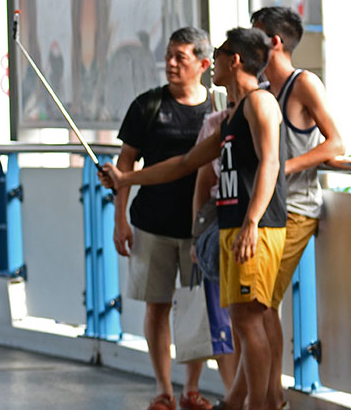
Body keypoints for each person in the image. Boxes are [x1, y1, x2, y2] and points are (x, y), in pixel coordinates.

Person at [101, 27, 286, 410]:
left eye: (218, 54)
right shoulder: (232, 116)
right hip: (232, 226)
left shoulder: (260, 102)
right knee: (243, 320)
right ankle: (244, 402)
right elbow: (185, 163)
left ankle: (262, 404)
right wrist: (125, 179)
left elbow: (271, 163)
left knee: (250, 321)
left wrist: (252, 222)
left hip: (256, 228)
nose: (212, 62)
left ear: (234, 60)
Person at [112, 27, 214, 410]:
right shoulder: (147, 105)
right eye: (168, 55)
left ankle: (192, 389)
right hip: (151, 224)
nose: (170, 63)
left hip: (199, 228)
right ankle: (163, 390)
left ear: (203, 64)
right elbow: (125, 164)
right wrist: (120, 219)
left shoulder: (217, 108)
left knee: (196, 309)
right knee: (156, 306)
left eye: (180, 57)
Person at [250, 6, 345, 410]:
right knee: (258, 305)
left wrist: (281, 169)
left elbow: (335, 143)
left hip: (296, 208)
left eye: (255, 35)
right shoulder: (261, 90)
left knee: (260, 304)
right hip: (266, 207)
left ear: (274, 41)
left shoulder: (302, 83)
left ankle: (272, 398)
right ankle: (269, 396)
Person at [190, 106, 239, 395]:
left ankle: (255, 397)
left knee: (251, 320)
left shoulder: (266, 109)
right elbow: (200, 176)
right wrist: (197, 238)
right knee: (222, 321)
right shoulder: (215, 123)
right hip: (216, 227)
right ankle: (233, 394)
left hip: (254, 227)